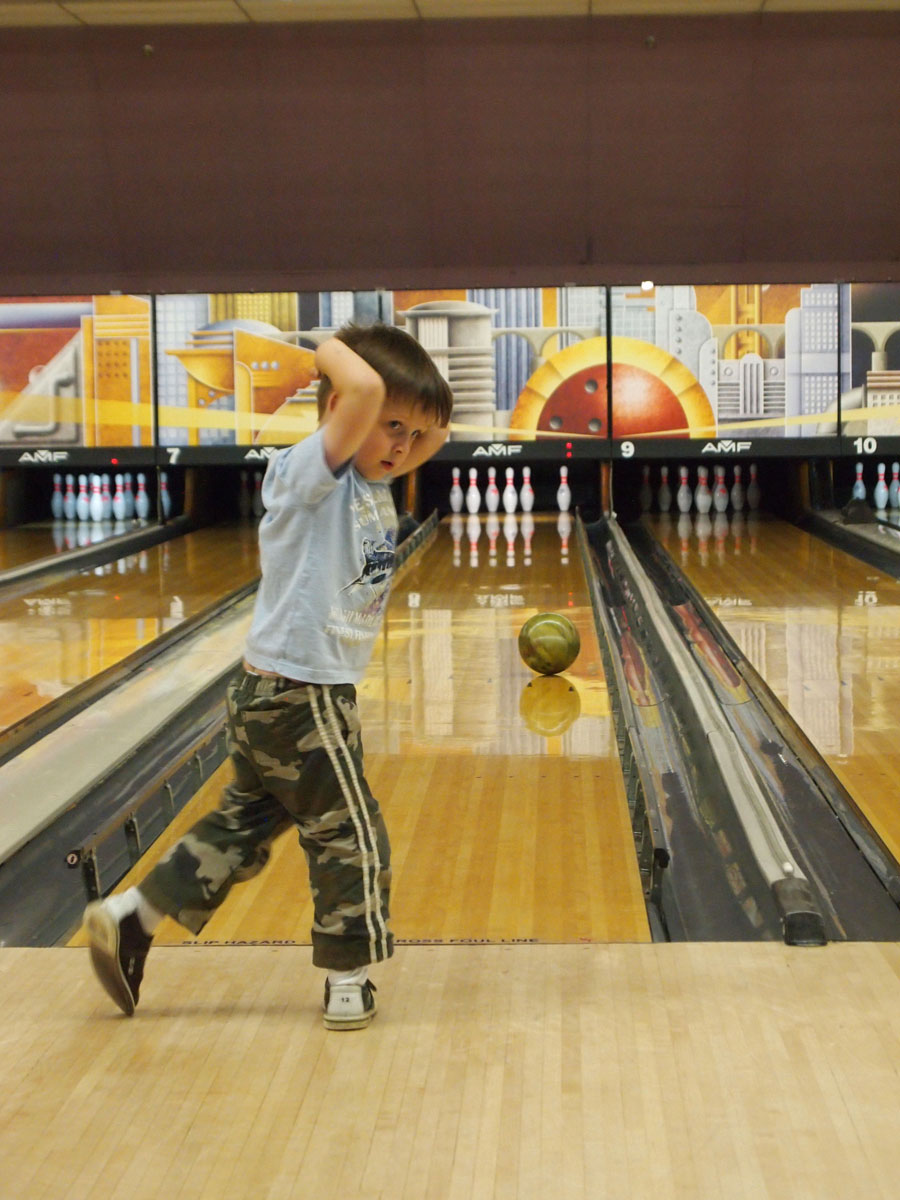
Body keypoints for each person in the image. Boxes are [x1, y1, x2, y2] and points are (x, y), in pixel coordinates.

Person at [82, 322, 453, 1030]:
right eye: (389, 427)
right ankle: (348, 978)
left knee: (242, 829)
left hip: (283, 695)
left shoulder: (376, 476)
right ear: (341, 406)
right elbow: (366, 389)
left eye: (413, 434)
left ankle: (134, 916)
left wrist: (417, 413)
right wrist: (325, 347)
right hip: (299, 695)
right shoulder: (313, 474)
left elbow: (431, 428)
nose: (403, 445)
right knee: (351, 832)